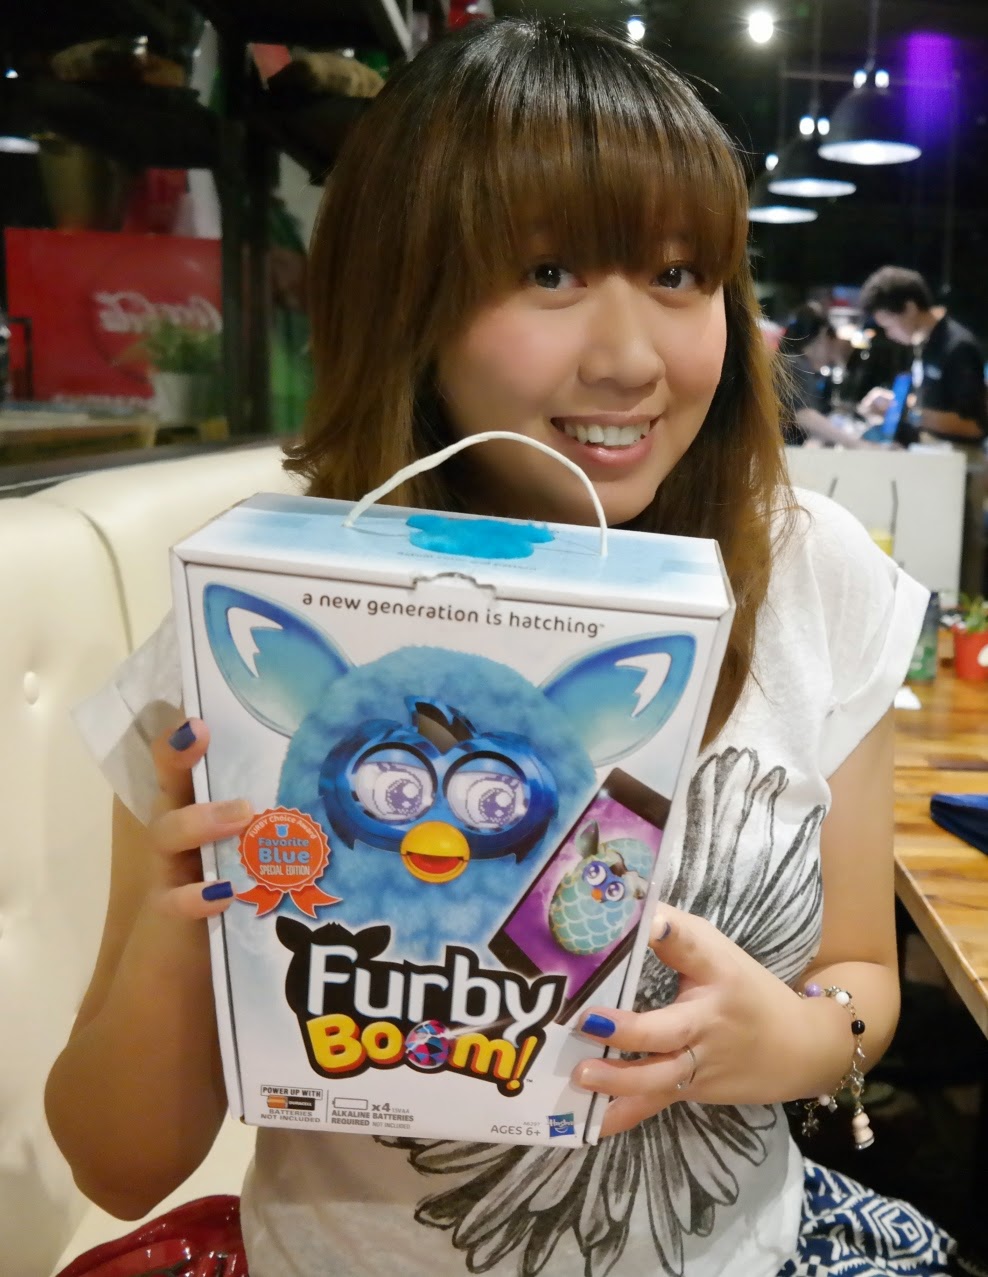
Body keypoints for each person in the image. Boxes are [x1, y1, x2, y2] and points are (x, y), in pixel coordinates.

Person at [46, 19, 957, 1277]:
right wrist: (183, 922)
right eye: (548, 272)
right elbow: (117, 1163)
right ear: (407, 295)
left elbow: (858, 967)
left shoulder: (813, 573)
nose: (631, 358)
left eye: (680, 274)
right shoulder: (255, 621)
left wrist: (787, 1041)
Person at [857, 266, 988, 448]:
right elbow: (933, 404)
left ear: (910, 308)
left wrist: (904, 412)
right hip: (929, 452)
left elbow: (974, 426)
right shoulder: (924, 344)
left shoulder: (957, 346)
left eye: (889, 325)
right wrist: (895, 403)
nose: (889, 334)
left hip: (959, 458)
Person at [778, 302, 871, 448]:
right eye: (832, 339)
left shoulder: (795, 364)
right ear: (823, 336)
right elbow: (804, 415)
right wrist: (859, 445)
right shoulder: (794, 364)